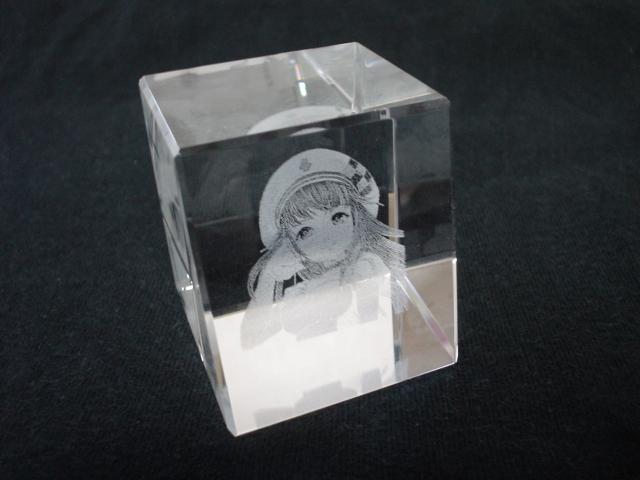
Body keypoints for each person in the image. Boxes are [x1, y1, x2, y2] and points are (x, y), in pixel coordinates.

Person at [241, 148, 406, 348]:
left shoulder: (366, 265)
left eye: (338, 217)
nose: (327, 238)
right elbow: (249, 341)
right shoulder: (301, 289)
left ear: (356, 217)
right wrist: (268, 278)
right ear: (291, 244)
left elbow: (380, 320)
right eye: (305, 231)